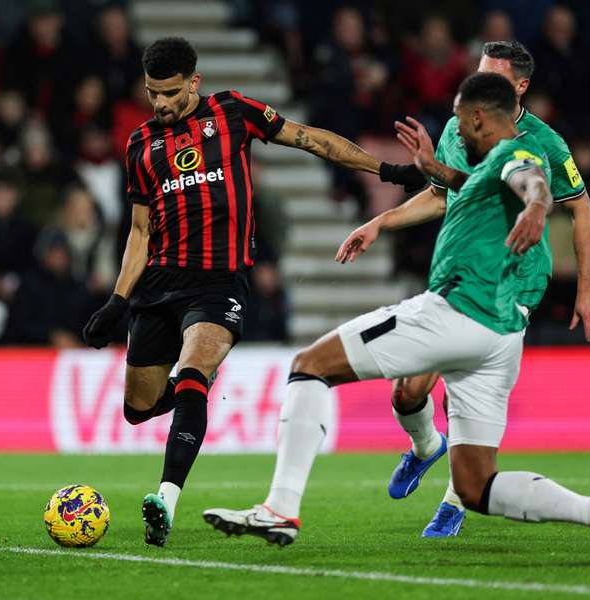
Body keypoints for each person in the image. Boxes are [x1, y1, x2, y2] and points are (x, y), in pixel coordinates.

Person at [203, 73, 590, 565]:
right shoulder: (489, 165)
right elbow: (476, 188)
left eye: (461, 121)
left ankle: (280, 509)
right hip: (500, 338)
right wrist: (432, 167)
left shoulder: (519, 155)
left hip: (455, 313)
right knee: (476, 484)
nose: (456, 130)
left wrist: (537, 208)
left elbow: (533, 183)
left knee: (310, 365)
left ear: (480, 117)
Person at [81, 37, 409, 547]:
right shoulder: (140, 144)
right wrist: (117, 301)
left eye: (169, 92)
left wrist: (385, 171)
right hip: (159, 286)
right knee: (138, 408)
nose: (161, 103)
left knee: (193, 372)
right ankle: (195, 396)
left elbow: (310, 140)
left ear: (194, 81)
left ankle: (165, 498)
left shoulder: (233, 111)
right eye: (152, 93)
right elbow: (140, 232)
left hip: (218, 284)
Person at [373, 41, 590, 538]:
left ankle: (456, 498)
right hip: (459, 275)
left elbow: (581, 210)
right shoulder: (460, 127)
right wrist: (382, 223)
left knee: (468, 391)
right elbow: (442, 196)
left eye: (494, 79)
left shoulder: (546, 142)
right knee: (408, 390)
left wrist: (587, 290)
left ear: (521, 87)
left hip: (513, 284)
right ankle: (424, 448)